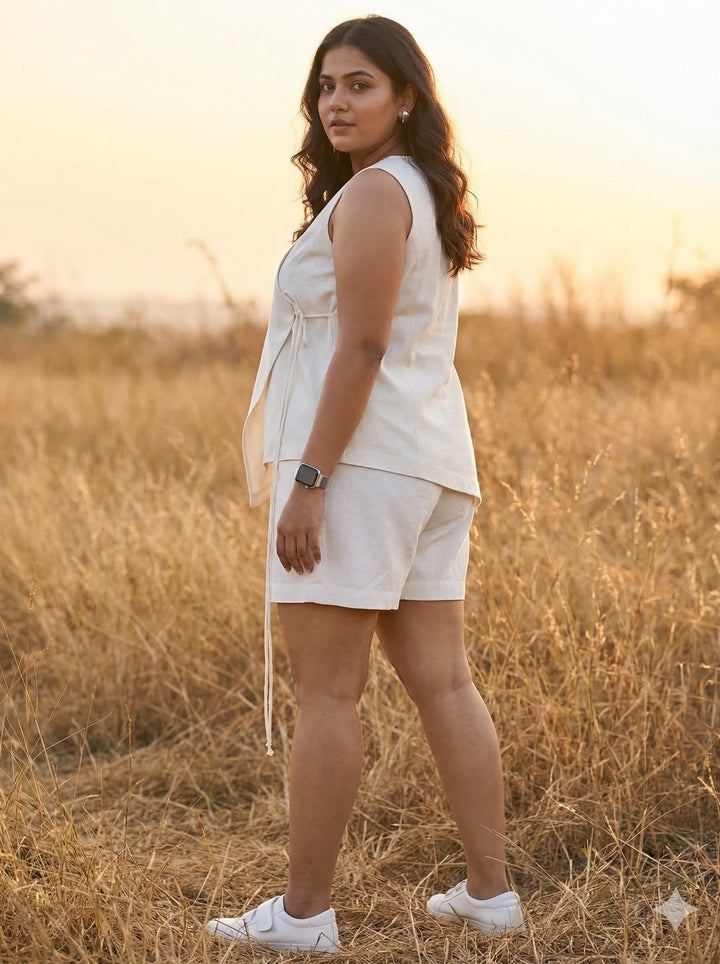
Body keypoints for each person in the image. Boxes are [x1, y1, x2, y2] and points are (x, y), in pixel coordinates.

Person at [206, 15, 525, 953]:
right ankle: (490, 895)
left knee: (329, 694)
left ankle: (303, 917)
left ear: (406, 99)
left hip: (359, 468)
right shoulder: (416, 189)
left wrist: (309, 480)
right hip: (423, 461)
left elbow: (364, 345)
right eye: (327, 86)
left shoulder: (380, 193)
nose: (338, 102)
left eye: (360, 86)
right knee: (443, 682)